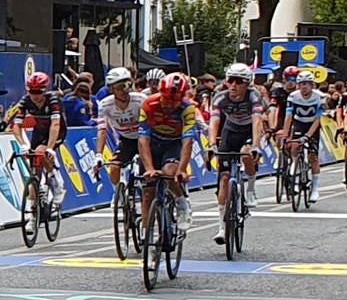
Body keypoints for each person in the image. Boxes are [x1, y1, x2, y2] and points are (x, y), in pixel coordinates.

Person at [207, 63, 271, 245]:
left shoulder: (254, 96)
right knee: (224, 179)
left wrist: (256, 145)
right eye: (230, 81)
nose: (233, 85)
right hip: (230, 130)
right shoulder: (220, 97)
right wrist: (212, 144)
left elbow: (257, 121)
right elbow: (214, 122)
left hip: (250, 131)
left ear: (247, 83)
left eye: (239, 81)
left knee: (245, 153)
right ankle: (221, 227)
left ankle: (250, 188)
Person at [135, 71, 199, 247]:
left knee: (169, 173)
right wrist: (148, 167)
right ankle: (147, 231)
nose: (169, 105)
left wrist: (182, 169)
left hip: (174, 144)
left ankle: (181, 203)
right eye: (166, 99)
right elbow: (143, 139)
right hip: (153, 143)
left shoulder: (188, 109)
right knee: (148, 191)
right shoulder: (148, 104)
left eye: (174, 101)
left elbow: (187, 142)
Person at [4, 71, 63, 201]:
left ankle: (55, 179)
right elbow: (16, 125)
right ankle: (33, 213)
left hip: (57, 131)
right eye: (31, 91)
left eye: (38, 92)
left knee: (42, 151)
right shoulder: (25, 100)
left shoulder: (53, 100)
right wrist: (23, 144)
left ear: (45, 90)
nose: (34, 96)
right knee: (35, 171)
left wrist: (50, 147)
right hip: (40, 131)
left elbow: (55, 124)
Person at [94, 66, 144, 192]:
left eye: (127, 85)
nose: (124, 90)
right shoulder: (105, 104)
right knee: (114, 166)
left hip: (145, 139)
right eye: (119, 87)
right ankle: (118, 193)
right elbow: (102, 130)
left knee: (147, 171)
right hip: (126, 140)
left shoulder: (140, 99)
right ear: (111, 89)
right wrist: (98, 154)